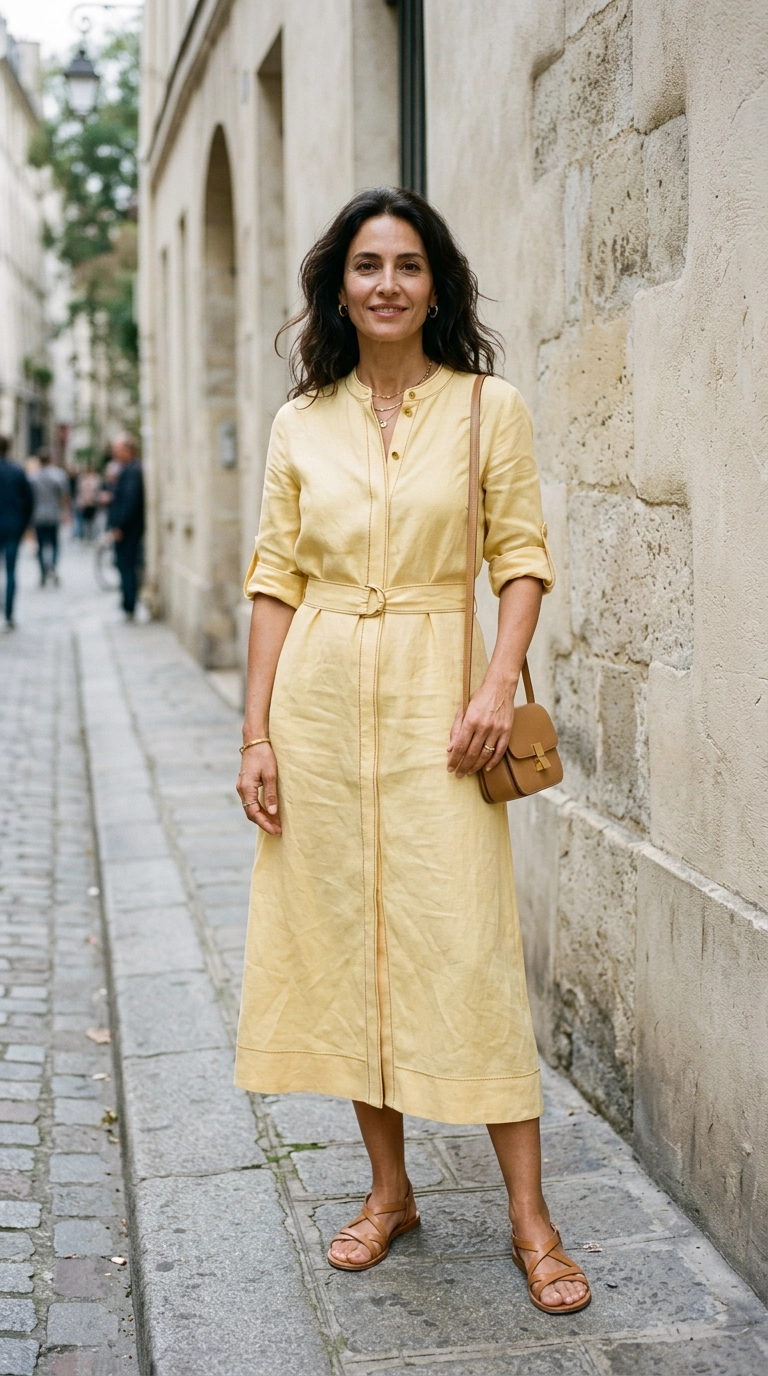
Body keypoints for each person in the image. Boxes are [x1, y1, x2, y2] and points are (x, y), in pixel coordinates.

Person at [234, 187, 591, 1314]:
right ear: (339, 285)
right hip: (323, 709)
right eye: (366, 264)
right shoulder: (302, 423)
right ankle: (389, 1192)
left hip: (447, 708)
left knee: (467, 946)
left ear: (437, 283)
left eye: (408, 263)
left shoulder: (491, 407)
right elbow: (274, 579)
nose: (387, 281)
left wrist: (497, 680)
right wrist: (256, 733)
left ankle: (531, 1217)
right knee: (343, 945)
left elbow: (521, 558)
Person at [107, 433, 144, 619]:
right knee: (124, 567)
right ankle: (127, 602)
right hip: (127, 529)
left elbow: (130, 501)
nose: (114, 453)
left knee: (126, 567)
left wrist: (119, 526)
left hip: (128, 531)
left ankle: (129, 604)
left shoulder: (132, 471)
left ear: (128, 450)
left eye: (118, 450)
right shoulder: (127, 470)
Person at [0, 435, 33, 629]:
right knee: (11, 571)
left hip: (11, 526)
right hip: (12, 527)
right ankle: (9, 613)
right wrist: (23, 525)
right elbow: (28, 501)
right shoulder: (17, 471)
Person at [30, 449, 69, 585]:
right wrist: (66, 512)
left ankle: (43, 571)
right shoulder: (58, 475)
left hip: (38, 515)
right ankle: (52, 566)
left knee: (41, 546)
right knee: (54, 544)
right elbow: (64, 496)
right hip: (53, 515)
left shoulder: (33, 477)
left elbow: (30, 499)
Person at [75, 466, 101, 540]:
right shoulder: (84, 480)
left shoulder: (95, 480)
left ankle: (91, 536)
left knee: (92, 521)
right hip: (86, 503)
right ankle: (86, 536)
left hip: (92, 503)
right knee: (86, 521)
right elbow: (80, 492)